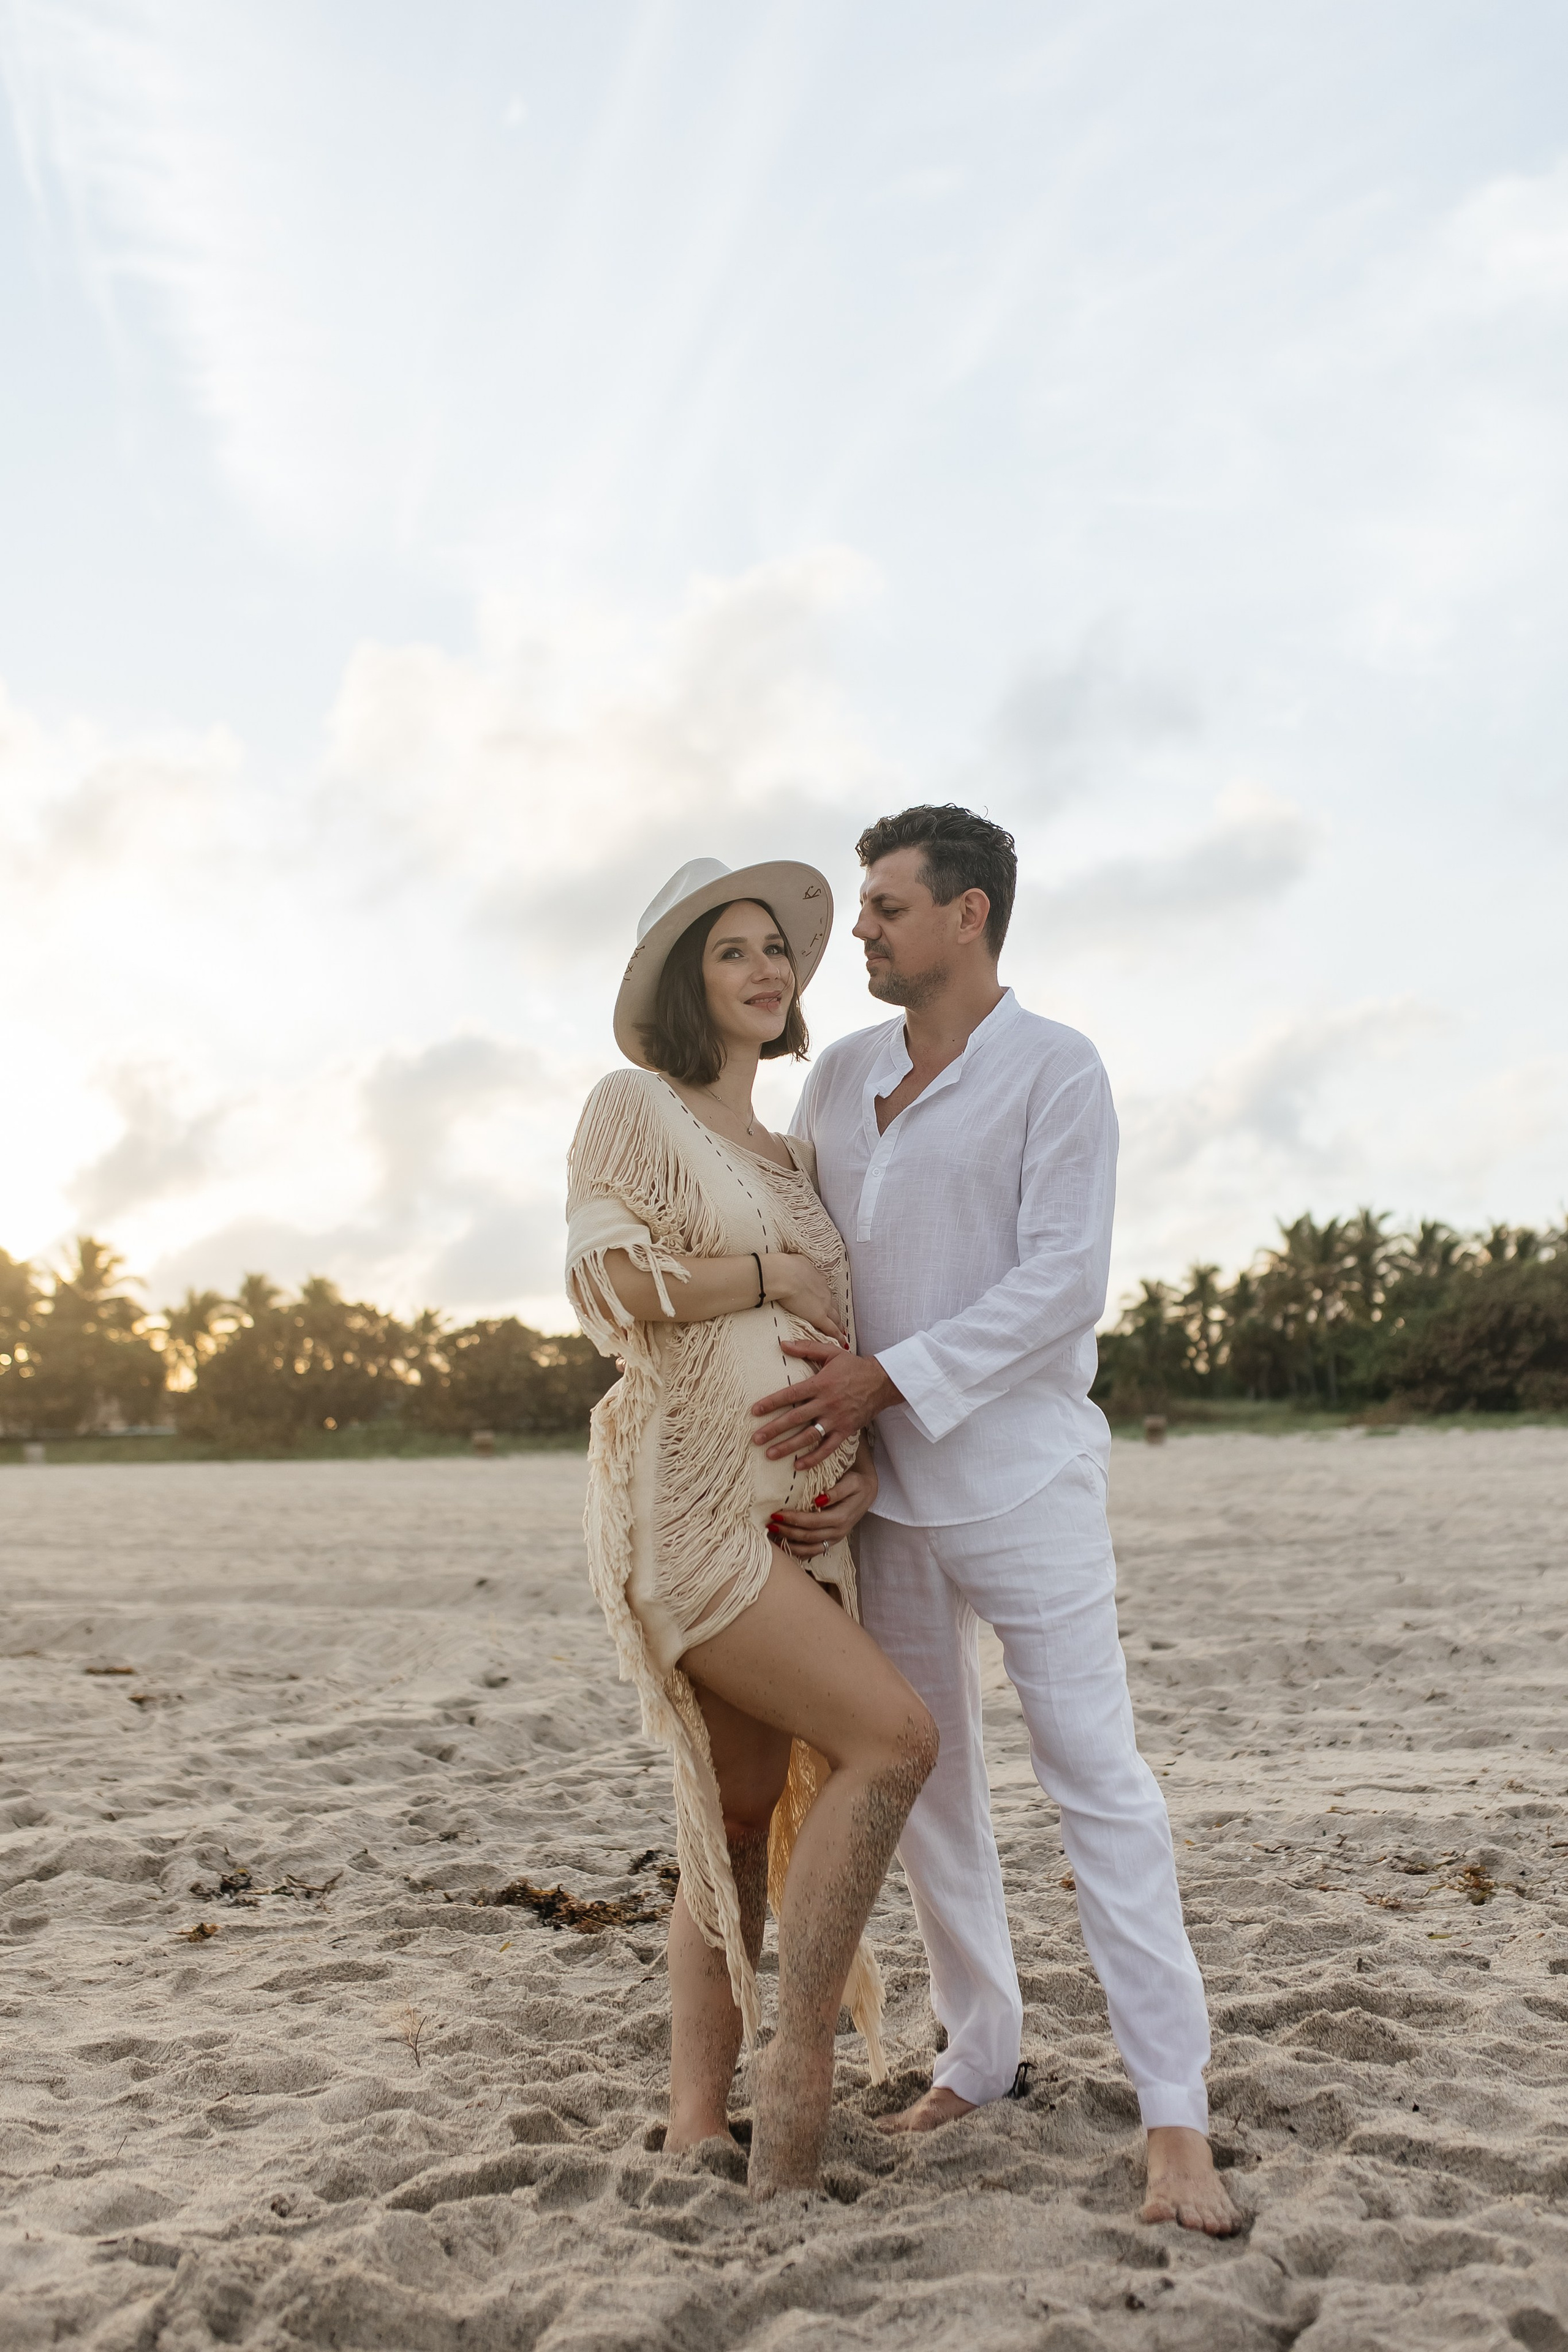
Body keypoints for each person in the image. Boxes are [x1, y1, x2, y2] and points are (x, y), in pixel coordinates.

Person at [748, 805, 1242, 2236]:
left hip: (1022, 1476)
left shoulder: (1054, 1069)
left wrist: (886, 1377)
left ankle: (1172, 2117)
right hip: (879, 1495)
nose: (861, 932)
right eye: (861, 909)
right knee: (927, 1788)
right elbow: (808, 1255)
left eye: (886, 908)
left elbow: (1059, 1283)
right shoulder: (836, 1079)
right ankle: (981, 2052)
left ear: (967, 917)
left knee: (1096, 1781)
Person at [564, 855, 938, 2200]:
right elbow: (604, 1278)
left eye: (777, 949)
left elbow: (831, 1343)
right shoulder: (637, 1109)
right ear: (688, 981)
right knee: (893, 1740)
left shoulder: (790, 1153)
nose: (766, 968)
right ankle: (795, 2073)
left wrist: (861, 1478)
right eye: (732, 950)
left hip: (804, 1527)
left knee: (728, 1821)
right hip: (692, 1511)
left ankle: (691, 2123)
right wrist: (770, 1270)